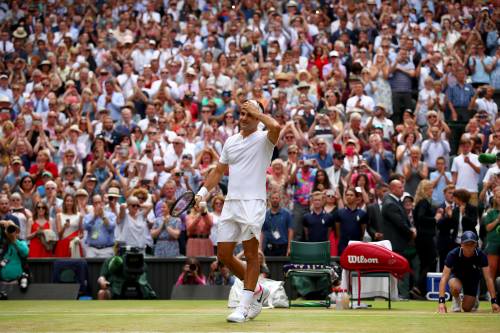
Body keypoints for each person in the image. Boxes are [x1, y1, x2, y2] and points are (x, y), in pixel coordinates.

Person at [195, 100, 280, 322]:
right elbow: (219, 171)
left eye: (248, 114)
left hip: (253, 203)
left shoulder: (265, 139)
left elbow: (276, 127)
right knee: (223, 254)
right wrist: (202, 192)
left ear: (258, 117)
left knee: (252, 254)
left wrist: (258, 113)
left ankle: (244, 306)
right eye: (241, 113)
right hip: (231, 203)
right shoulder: (231, 141)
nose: (243, 118)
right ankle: (258, 291)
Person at [438, 231, 499, 313]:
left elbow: (488, 279)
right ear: (462, 245)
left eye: (472, 244)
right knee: (455, 287)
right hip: (457, 277)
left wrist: (494, 302)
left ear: (476, 244)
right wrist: (441, 302)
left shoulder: (481, 255)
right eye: (467, 244)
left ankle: (475, 299)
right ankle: (456, 300)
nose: (469, 247)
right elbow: (444, 278)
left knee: (467, 308)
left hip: (472, 279)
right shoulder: (452, 254)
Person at [332, 188, 367, 255]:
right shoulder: (339, 213)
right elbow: (338, 231)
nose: (349, 197)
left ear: (356, 197)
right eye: (347, 195)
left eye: (351, 195)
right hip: (343, 245)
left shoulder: (362, 213)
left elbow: (363, 231)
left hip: (356, 245)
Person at [261, 191, 294, 256]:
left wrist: (289, 248)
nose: (274, 200)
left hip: (283, 247)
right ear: (269, 200)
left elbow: (291, 231)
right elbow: (261, 232)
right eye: (273, 198)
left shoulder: (287, 214)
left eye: (276, 198)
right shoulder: (265, 214)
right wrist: (260, 248)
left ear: (280, 199)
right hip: (269, 247)